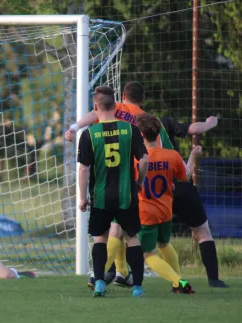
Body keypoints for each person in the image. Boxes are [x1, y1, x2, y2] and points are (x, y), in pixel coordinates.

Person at [66, 81, 227, 288]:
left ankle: (103, 275)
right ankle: (209, 279)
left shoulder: (124, 127)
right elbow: (191, 137)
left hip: (144, 199)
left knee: (123, 234)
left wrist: (74, 127)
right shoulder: (162, 130)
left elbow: (95, 115)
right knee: (192, 235)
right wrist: (202, 138)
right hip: (172, 192)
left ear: (122, 97)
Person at [77, 86, 149, 297]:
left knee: (100, 237)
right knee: (132, 238)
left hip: (100, 196)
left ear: (95, 106)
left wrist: (82, 198)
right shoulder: (130, 129)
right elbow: (144, 159)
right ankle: (137, 287)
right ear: (115, 105)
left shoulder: (90, 134)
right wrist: (139, 181)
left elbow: (84, 168)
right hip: (126, 194)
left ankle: (99, 282)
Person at [135, 113, 200, 294]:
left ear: (141, 136)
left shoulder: (137, 158)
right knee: (164, 244)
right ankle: (176, 285)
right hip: (165, 211)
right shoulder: (172, 156)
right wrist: (193, 155)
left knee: (148, 254)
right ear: (158, 134)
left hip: (146, 213)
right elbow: (185, 177)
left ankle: (179, 280)